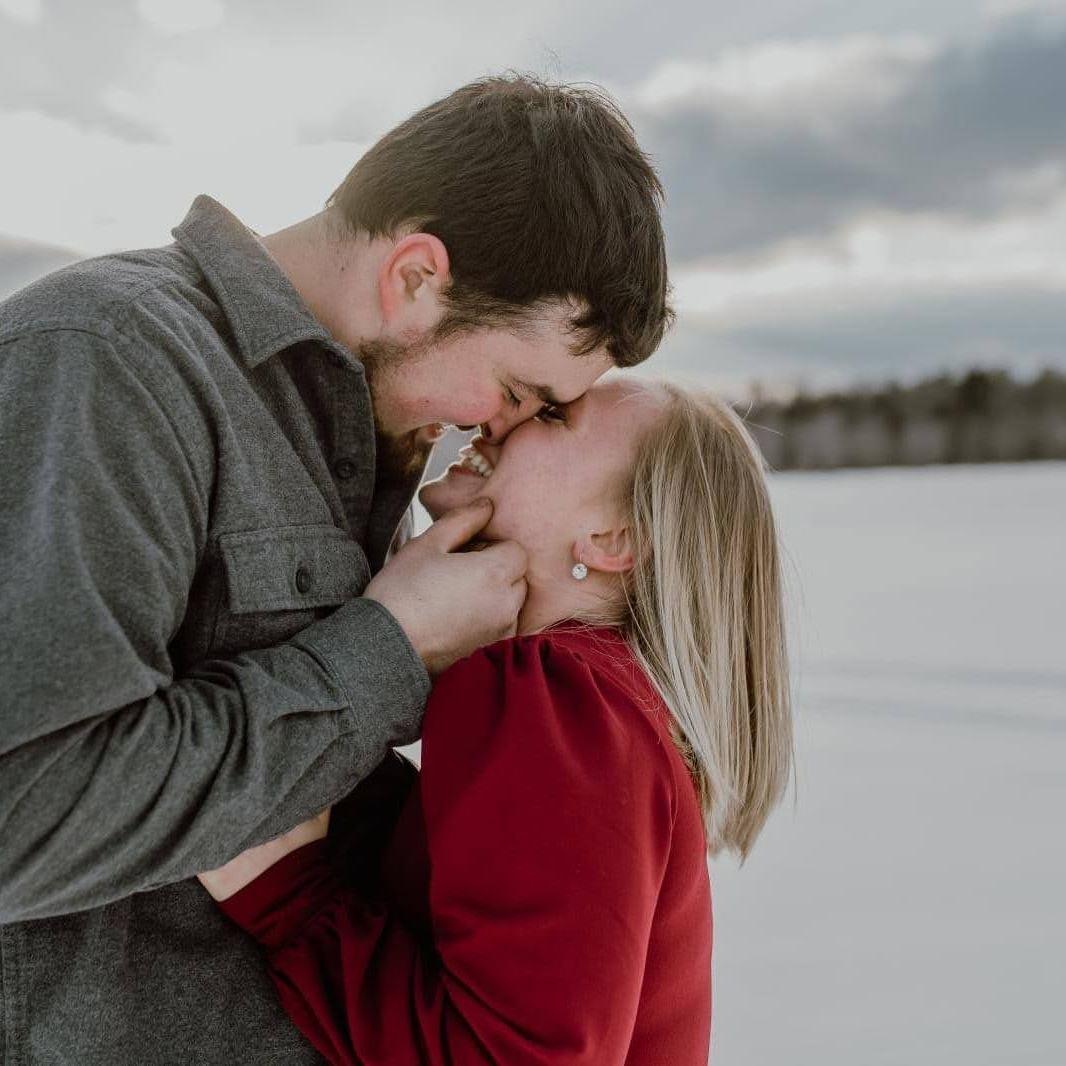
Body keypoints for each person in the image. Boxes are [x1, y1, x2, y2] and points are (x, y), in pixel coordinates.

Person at [0, 78, 671, 1063]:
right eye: (519, 390)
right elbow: (28, 815)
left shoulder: (363, 421)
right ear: (413, 276)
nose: (503, 427)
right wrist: (391, 650)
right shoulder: (111, 360)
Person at [198, 378, 794, 1065]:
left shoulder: (552, 698)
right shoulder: (606, 709)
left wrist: (288, 894)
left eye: (552, 414)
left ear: (611, 537)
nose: (500, 416)